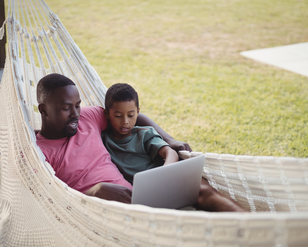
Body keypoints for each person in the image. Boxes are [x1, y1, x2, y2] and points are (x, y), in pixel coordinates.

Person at [36, 73, 244, 212]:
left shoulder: (88, 118)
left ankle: (260, 229)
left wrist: (168, 139)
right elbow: (54, 203)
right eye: (66, 108)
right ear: (43, 110)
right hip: (99, 212)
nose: (75, 114)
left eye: (78, 106)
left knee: (199, 187)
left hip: (138, 199)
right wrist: (96, 192)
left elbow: (129, 115)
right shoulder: (38, 153)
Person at [101, 83, 179, 184]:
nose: (125, 121)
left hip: (162, 181)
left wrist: (164, 172)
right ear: (107, 114)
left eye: (131, 115)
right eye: (118, 116)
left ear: (138, 112)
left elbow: (170, 152)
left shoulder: (144, 134)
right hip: (137, 192)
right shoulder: (103, 141)